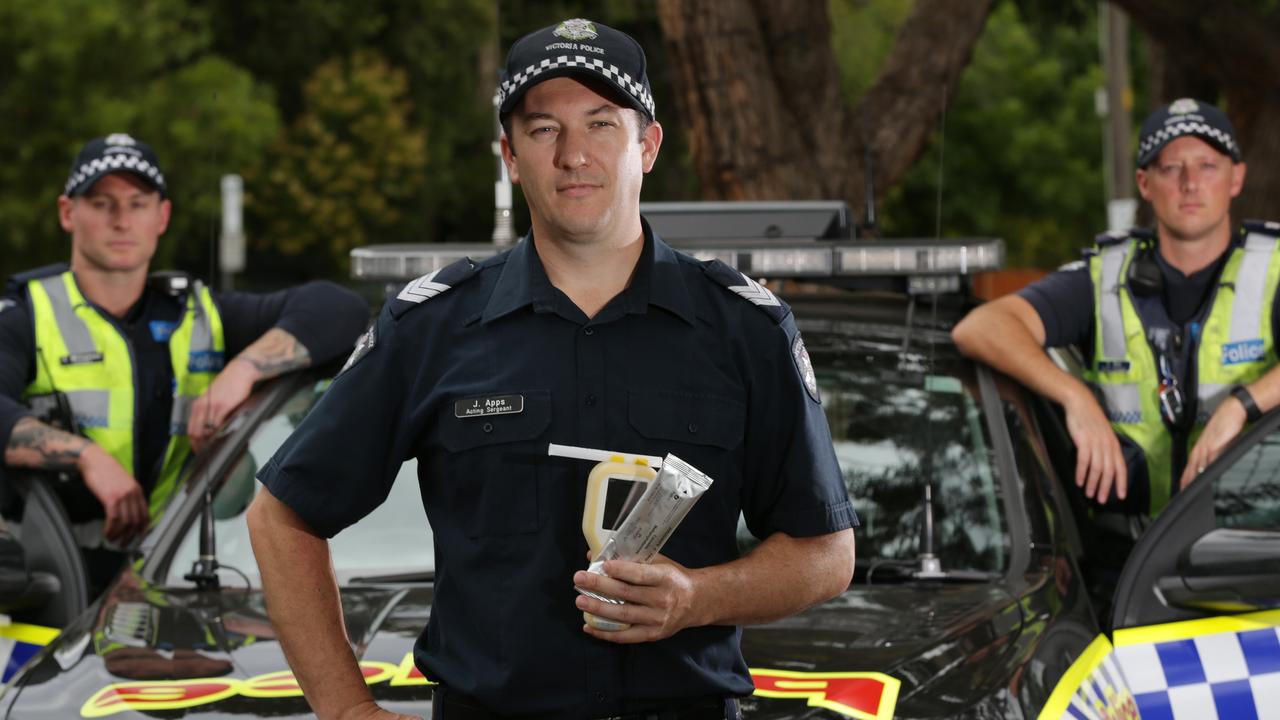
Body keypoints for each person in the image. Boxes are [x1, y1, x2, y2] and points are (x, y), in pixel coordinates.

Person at [247, 17, 857, 720]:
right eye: (543, 130)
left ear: (647, 146)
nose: (573, 154)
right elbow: (281, 519)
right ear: (509, 154)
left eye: (602, 124)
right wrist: (347, 709)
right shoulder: (434, 327)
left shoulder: (744, 329)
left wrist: (699, 597)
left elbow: (825, 553)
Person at [0, 133, 369, 592]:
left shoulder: (197, 313)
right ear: (67, 213)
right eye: (102, 203)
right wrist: (89, 457)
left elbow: (339, 309)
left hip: (172, 584)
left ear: (162, 216)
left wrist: (244, 369)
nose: (121, 221)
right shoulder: (27, 315)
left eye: (137, 204)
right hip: (46, 587)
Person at [953, 98, 1279, 597]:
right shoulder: (1106, 277)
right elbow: (980, 328)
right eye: (1172, 167)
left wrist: (1242, 405)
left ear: (1236, 178)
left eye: (1208, 166)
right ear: (1146, 184)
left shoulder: (1271, 270)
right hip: (1123, 572)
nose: (1190, 183)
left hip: (1254, 563)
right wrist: (1075, 398)